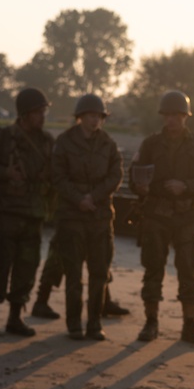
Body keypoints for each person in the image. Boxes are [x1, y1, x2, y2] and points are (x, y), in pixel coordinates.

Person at [130, 90, 194, 345]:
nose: (172, 120)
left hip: (187, 216)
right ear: (163, 116)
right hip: (156, 214)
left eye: (177, 115)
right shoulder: (150, 144)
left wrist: (186, 186)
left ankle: (189, 325)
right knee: (153, 268)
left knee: (188, 270)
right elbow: (134, 174)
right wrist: (141, 188)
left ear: (185, 116)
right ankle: (151, 323)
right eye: (168, 115)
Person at [0, 88, 53, 337]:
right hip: (6, 214)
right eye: (39, 112)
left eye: (43, 111)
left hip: (33, 215)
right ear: (25, 114)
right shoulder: (2, 137)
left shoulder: (47, 142)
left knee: (27, 268)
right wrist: (4, 173)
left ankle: (15, 318)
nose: (42, 116)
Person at [48, 93, 122, 340]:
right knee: (74, 276)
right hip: (72, 217)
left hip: (100, 218)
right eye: (91, 116)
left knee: (99, 274)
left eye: (99, 117)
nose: (95, 121)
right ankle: (74, 325)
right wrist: (79, 198)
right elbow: (57, 176)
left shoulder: (108, 144)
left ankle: (94, 323)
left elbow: (115, 176)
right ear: (80, 117)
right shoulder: (65, 142)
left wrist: (94, 197)